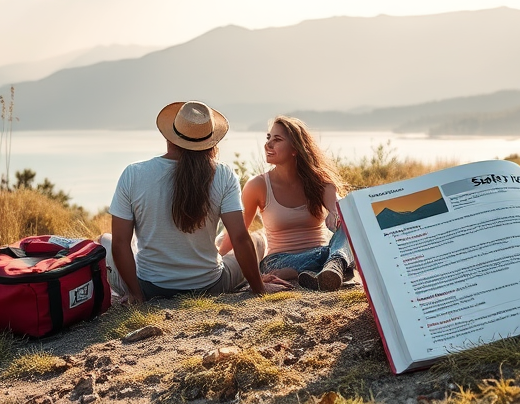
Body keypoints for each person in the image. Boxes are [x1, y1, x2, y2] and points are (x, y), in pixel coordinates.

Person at [102, 101, 291, 303]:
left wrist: (136, 294)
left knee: (105, 239)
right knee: (257, 240)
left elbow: (121, 243)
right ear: (210, 141)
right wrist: (259, 288)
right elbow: (240, 238)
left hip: (150, 288)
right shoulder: (223, 175)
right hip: (209, 285)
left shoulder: (134, 174)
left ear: (169, 137)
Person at [218, 116, 354, 292]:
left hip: (320, 250)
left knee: (349, 224)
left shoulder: (320, 182)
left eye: (277, 139)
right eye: (268, 138)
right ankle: (336, 264)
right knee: (334, 254)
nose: (268, 145)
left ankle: (326, 269)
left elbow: (336, 207)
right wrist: (219, 257)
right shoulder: (257, 185)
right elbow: (238, 230)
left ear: (295, 149)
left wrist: (335, 214)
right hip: (279, 260)